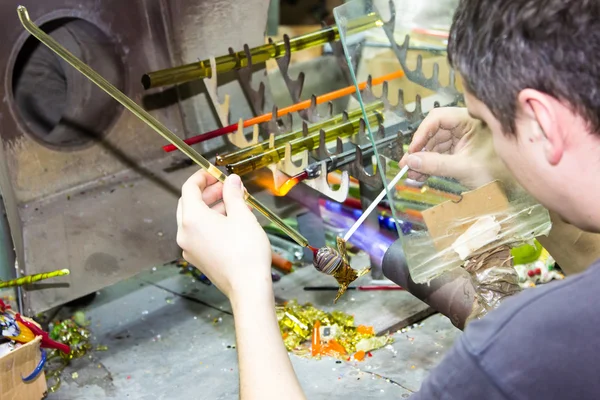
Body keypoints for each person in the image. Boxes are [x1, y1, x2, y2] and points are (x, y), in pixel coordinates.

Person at [176, 0, 600, 398]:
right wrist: (506, 172)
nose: (488, 141)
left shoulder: (509, 359)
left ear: (542, 122)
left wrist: (246, 287)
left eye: (487, 123)